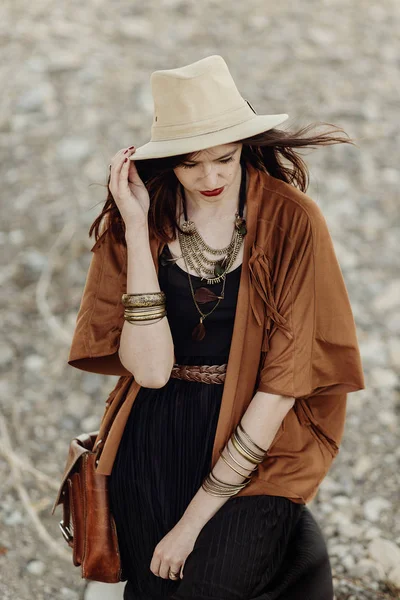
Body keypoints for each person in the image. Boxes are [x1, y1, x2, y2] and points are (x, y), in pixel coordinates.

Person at [69, 55, 365, 599]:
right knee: (153, 591)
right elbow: (152, 371)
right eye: (190, 164)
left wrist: (190, 525)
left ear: (246, 148)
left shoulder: (292, 221)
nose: (211, 178)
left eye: (225, 159)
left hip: (259, 435)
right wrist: (136, 231)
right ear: (169, 164)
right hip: (155, 433)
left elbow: (282, 388)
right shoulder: (140, 217)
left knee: (208, 584)